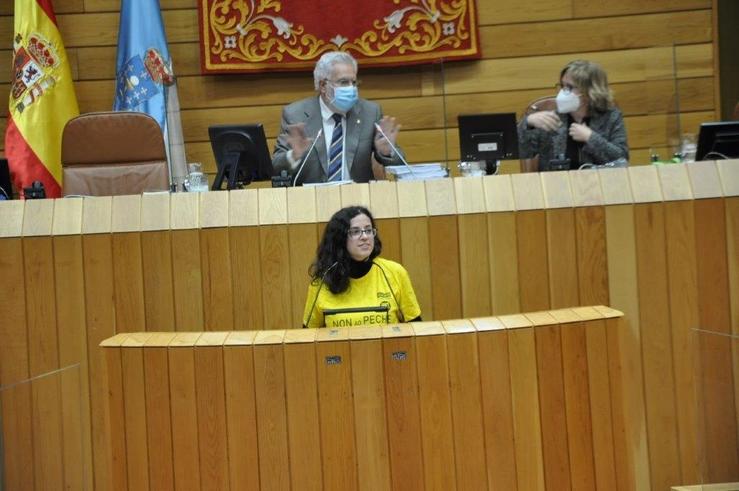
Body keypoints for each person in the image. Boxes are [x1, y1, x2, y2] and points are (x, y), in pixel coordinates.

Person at [272, 51, 406, 184]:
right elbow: (275, 167)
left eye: (353, 82)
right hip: (311, 200)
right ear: (323, 85)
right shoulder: (296, 114)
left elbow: (400, 165)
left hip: (357, 198)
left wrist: (387, 152)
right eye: (343, 82)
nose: (351, 88)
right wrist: (293, 156)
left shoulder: (369, 112)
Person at [303, 206, 421, 328]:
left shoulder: (395, 272)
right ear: (340, 238)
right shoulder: (322, 281)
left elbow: (416, 329)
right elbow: (308, 338)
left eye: (368, 230)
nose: (365, 237)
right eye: (355, 231)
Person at [518, 60, 629, 171]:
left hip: (600, 184)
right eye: (562, 86)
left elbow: (621, 160)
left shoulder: (610, 117)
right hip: (556, 185)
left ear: (590, 91)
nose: (562, 92)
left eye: (569, 87)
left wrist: (590, 138)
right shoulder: (551, 119)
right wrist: (528, 123)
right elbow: (522, 152)